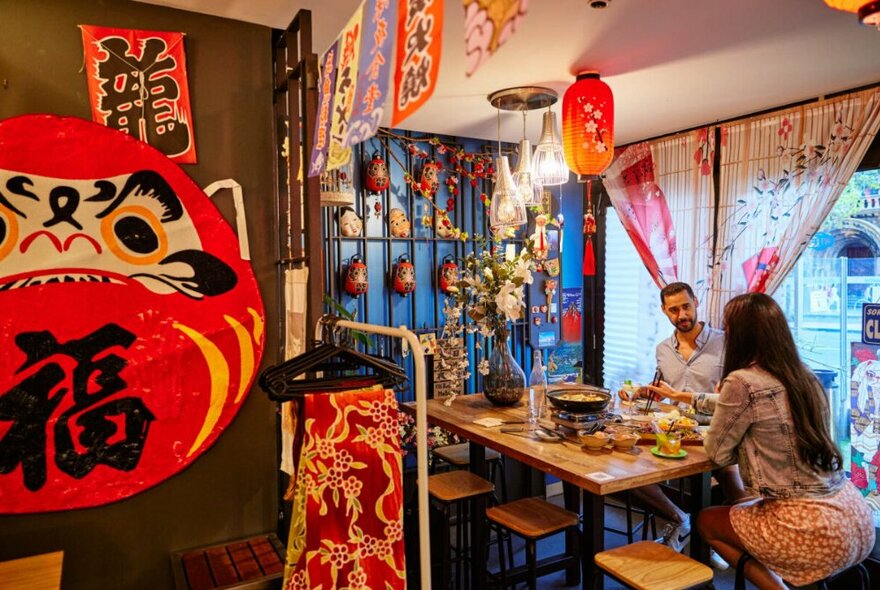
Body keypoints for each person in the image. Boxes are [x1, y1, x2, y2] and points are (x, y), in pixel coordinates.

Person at [698, 293, 875, 589]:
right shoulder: (804, 377)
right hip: (856, 518)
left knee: (706, 521)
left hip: (808, 529)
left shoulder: (741, 380)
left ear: (740, 335)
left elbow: (716, 453)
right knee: (742, 506)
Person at [618, 282, 744, 567]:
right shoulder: (663, 349)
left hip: (717, 430)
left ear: (696, 302)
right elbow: (663, 392)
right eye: (673, 310)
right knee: (625, 465)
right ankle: (681, 519)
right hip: (676, 432)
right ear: (664, 311)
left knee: (730, 477)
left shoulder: (725, 343)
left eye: (686, 306)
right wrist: (638, 392)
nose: (681, 314)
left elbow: (738, 393)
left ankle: (729, 542)